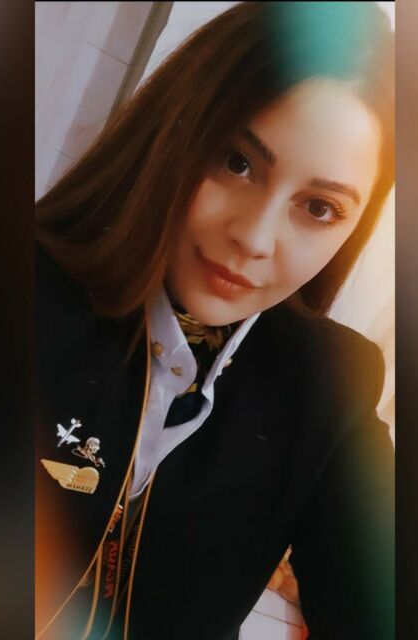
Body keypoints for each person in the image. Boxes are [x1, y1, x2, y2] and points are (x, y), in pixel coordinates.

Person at [34, 2, 394, 639]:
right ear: (176, 128)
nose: (254, 238)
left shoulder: (328, 381)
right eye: (237, 162)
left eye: (318, 207)